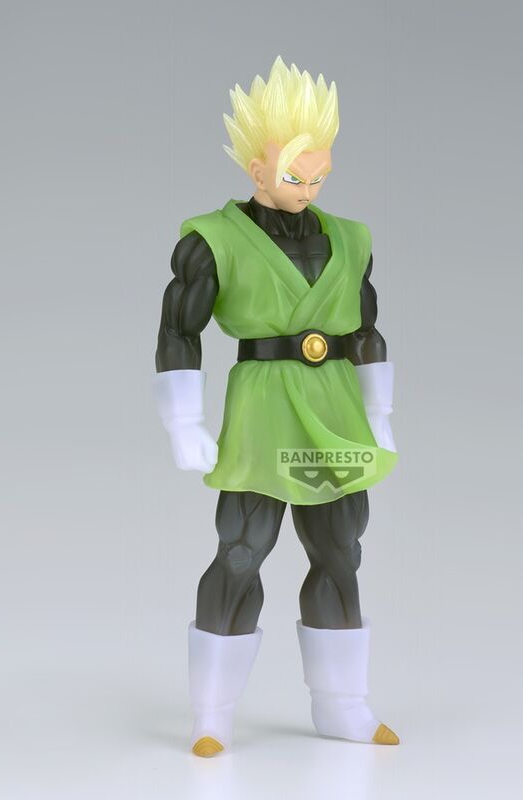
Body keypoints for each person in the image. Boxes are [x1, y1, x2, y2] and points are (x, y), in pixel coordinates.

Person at [154, 56, 399, 757]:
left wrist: (379, 413)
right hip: (263, 411)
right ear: (257, 170)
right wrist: (183, 420)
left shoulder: (350, 237)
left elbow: (367, 330)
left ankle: (343, 704)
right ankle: (211, 713)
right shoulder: (213, 239)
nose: (309, 190)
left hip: (334, 411)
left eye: (320, 176)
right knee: (241, 551)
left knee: (340, 552)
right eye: (295, 177)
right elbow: (178, 329)